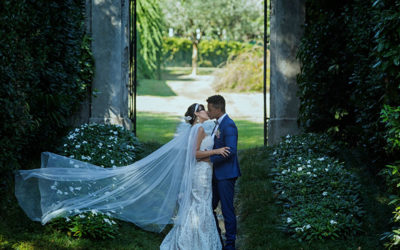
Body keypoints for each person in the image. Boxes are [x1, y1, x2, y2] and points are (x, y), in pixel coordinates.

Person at [15, 103, 229, 250]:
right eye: (202, 109)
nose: (206, 111)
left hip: (202, 172)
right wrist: (216, 152)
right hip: (200, 173)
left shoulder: (200, 129)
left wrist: (214, 141)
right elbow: (195, 154)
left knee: (197, 205)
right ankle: (195, 242)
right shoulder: (199, 129)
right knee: (199, 205)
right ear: (196, 115)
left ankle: (195, 241)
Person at [207, 95, 241, 250]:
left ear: (217, 108)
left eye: (210, 108)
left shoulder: (228, 125)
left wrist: (210, 159)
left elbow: (231, 151)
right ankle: (218, 237)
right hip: (216, 175)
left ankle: (230, 244)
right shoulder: (217, 124)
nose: (208, 111)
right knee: (209, 207)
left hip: (226, 175)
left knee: (227, 210)